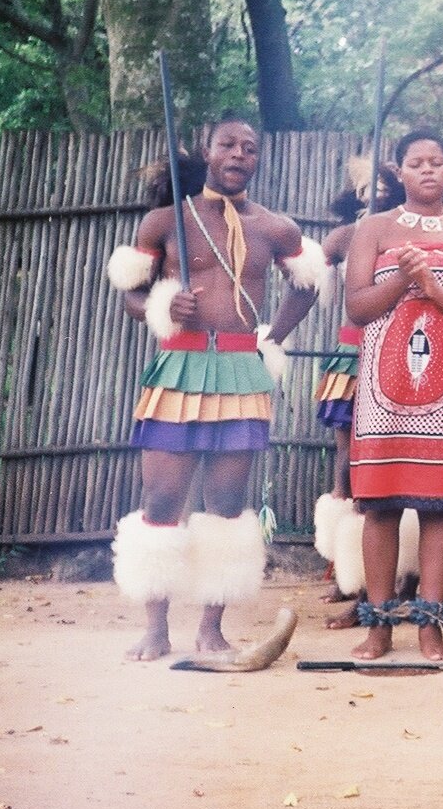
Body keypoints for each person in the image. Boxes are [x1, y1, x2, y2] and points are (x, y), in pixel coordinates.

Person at [104, 117, 325, 661]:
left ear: (256, 160)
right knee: (160, 499)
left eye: (250, 147)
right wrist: (162, 306)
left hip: (240, 373)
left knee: (226, 503)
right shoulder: (164, 221)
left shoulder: (275, 227)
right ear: (207, 150)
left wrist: (272, 335)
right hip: (178, 369)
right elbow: (131, 295)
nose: (238, 154)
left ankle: (211, 627)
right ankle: (155, 629)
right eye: (228, 144)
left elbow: (308, 284)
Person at [344, 129, 443, 661]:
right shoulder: (373, 229)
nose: (427, 170)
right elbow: (358, 307)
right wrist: (403, 282)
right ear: (399, 173)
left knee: (441, 511)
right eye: (416, 162)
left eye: (437, 162)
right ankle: (377, 626)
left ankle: (430, 627)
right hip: (383, 394)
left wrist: (435, 289)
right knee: (381, 508)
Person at [311, 158, 417, 629]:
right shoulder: (342, 237)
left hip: (400, 356)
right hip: (351, 353)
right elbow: (308, 281)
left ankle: (404, 583)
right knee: (347, 466)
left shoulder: (410, 231)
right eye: (361, 188)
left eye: (378, 187)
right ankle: (347, 575)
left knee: (399, 466)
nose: (369, 194)